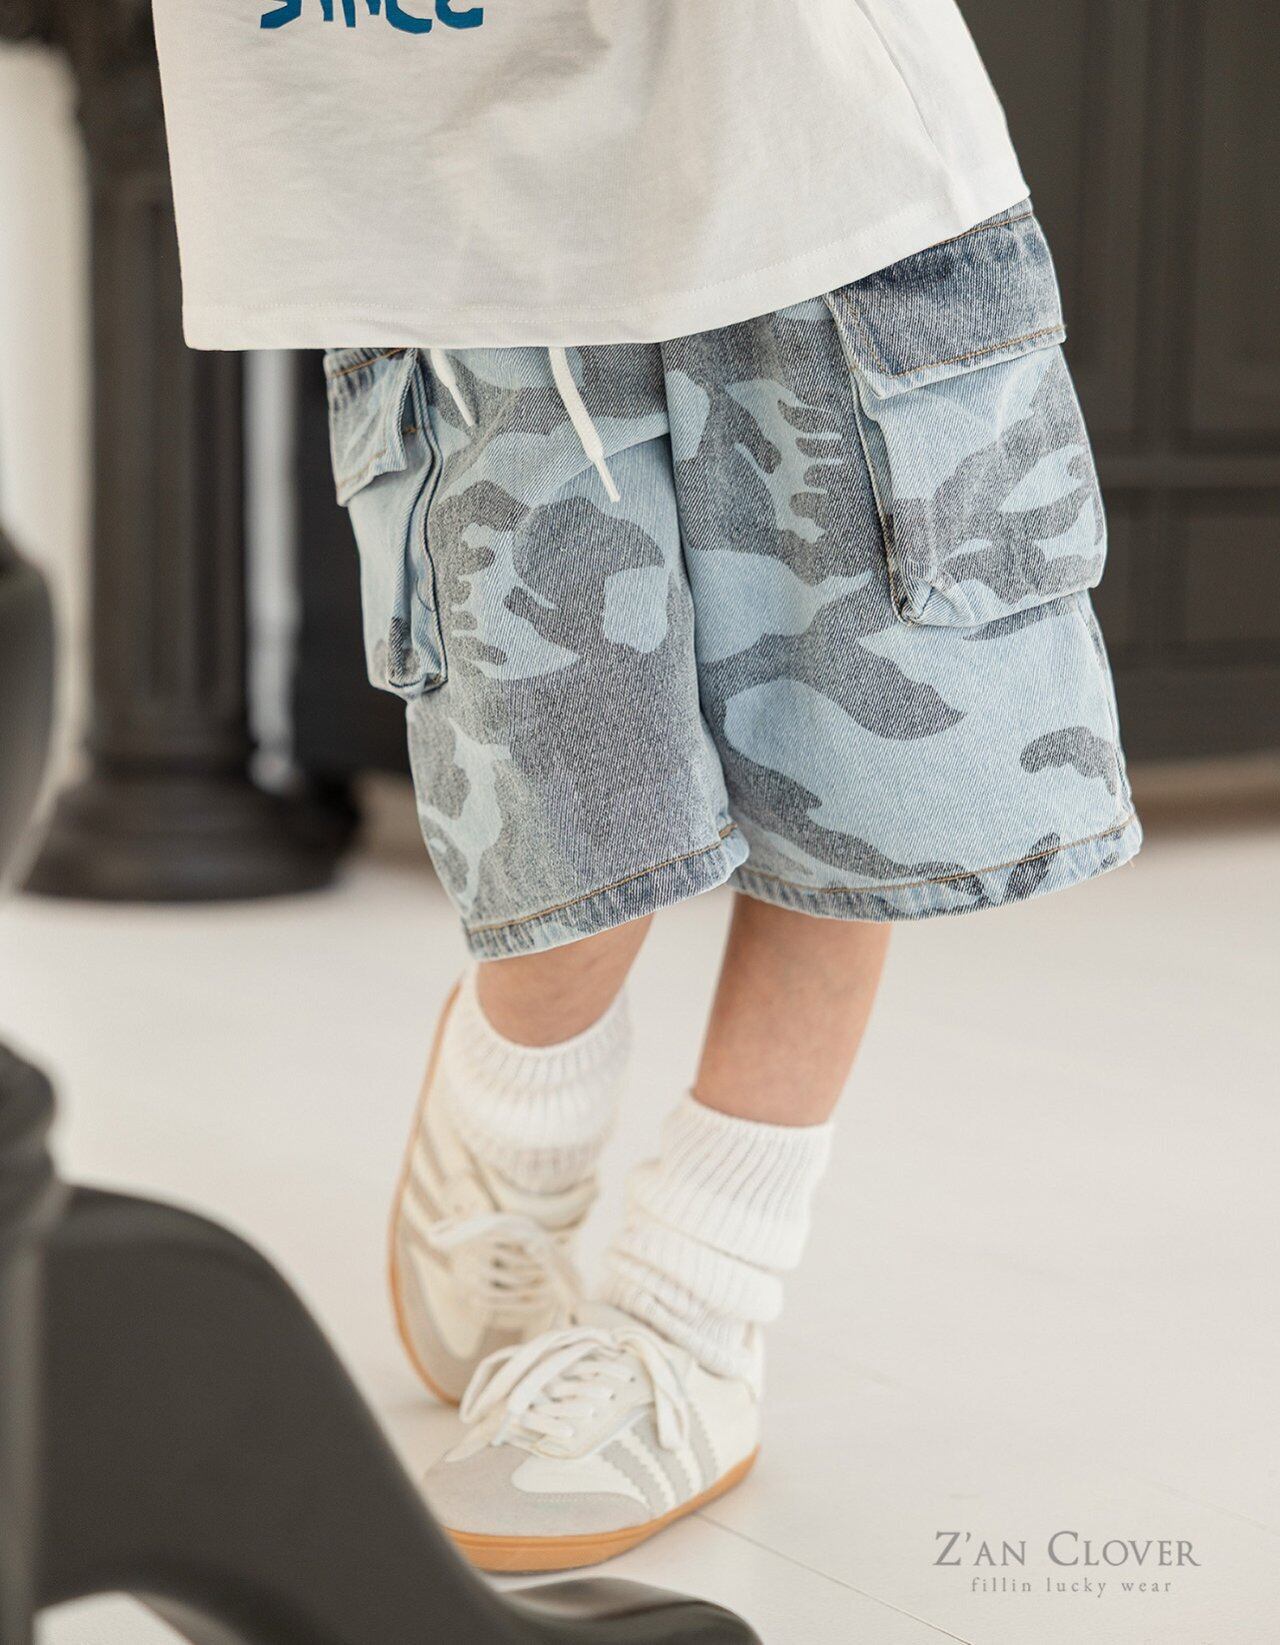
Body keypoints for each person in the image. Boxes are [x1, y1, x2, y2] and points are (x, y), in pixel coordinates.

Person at [151, 0, 1140, 1573]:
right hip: (457, 220)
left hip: (820, 161)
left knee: (854, 791)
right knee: (565, 835)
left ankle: (694, 1306)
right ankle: (514, 1107)